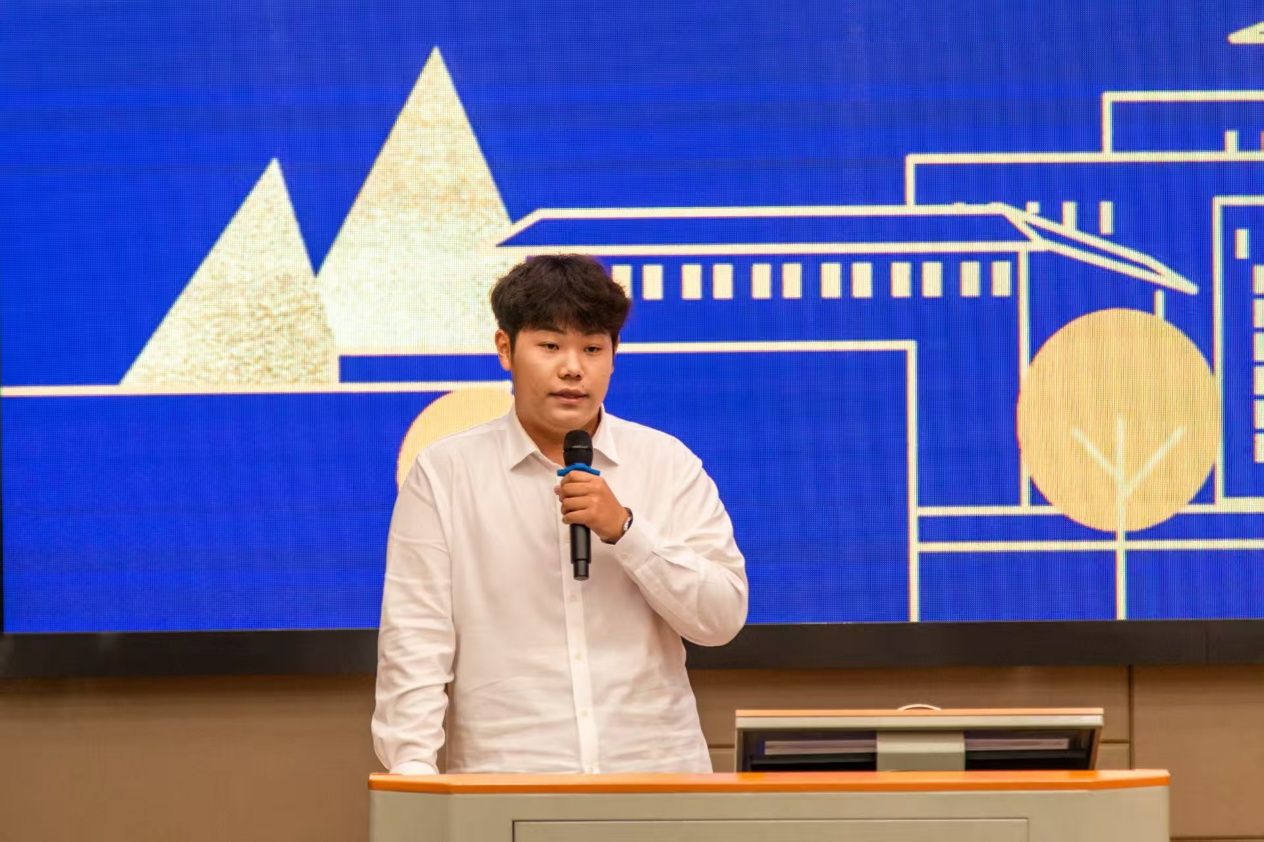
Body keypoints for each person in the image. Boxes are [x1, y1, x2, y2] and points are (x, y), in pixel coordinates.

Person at [372, 254, 748, 775]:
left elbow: (721, 618)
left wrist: (627, 531)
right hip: (507, 780)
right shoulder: (445, 473)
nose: (573, 368)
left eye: (592, 348)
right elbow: (414, 640)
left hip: (657, 774)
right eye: (550, 346)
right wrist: (413, 775)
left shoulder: (666, 462)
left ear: (613, 356)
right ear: (505, 349)